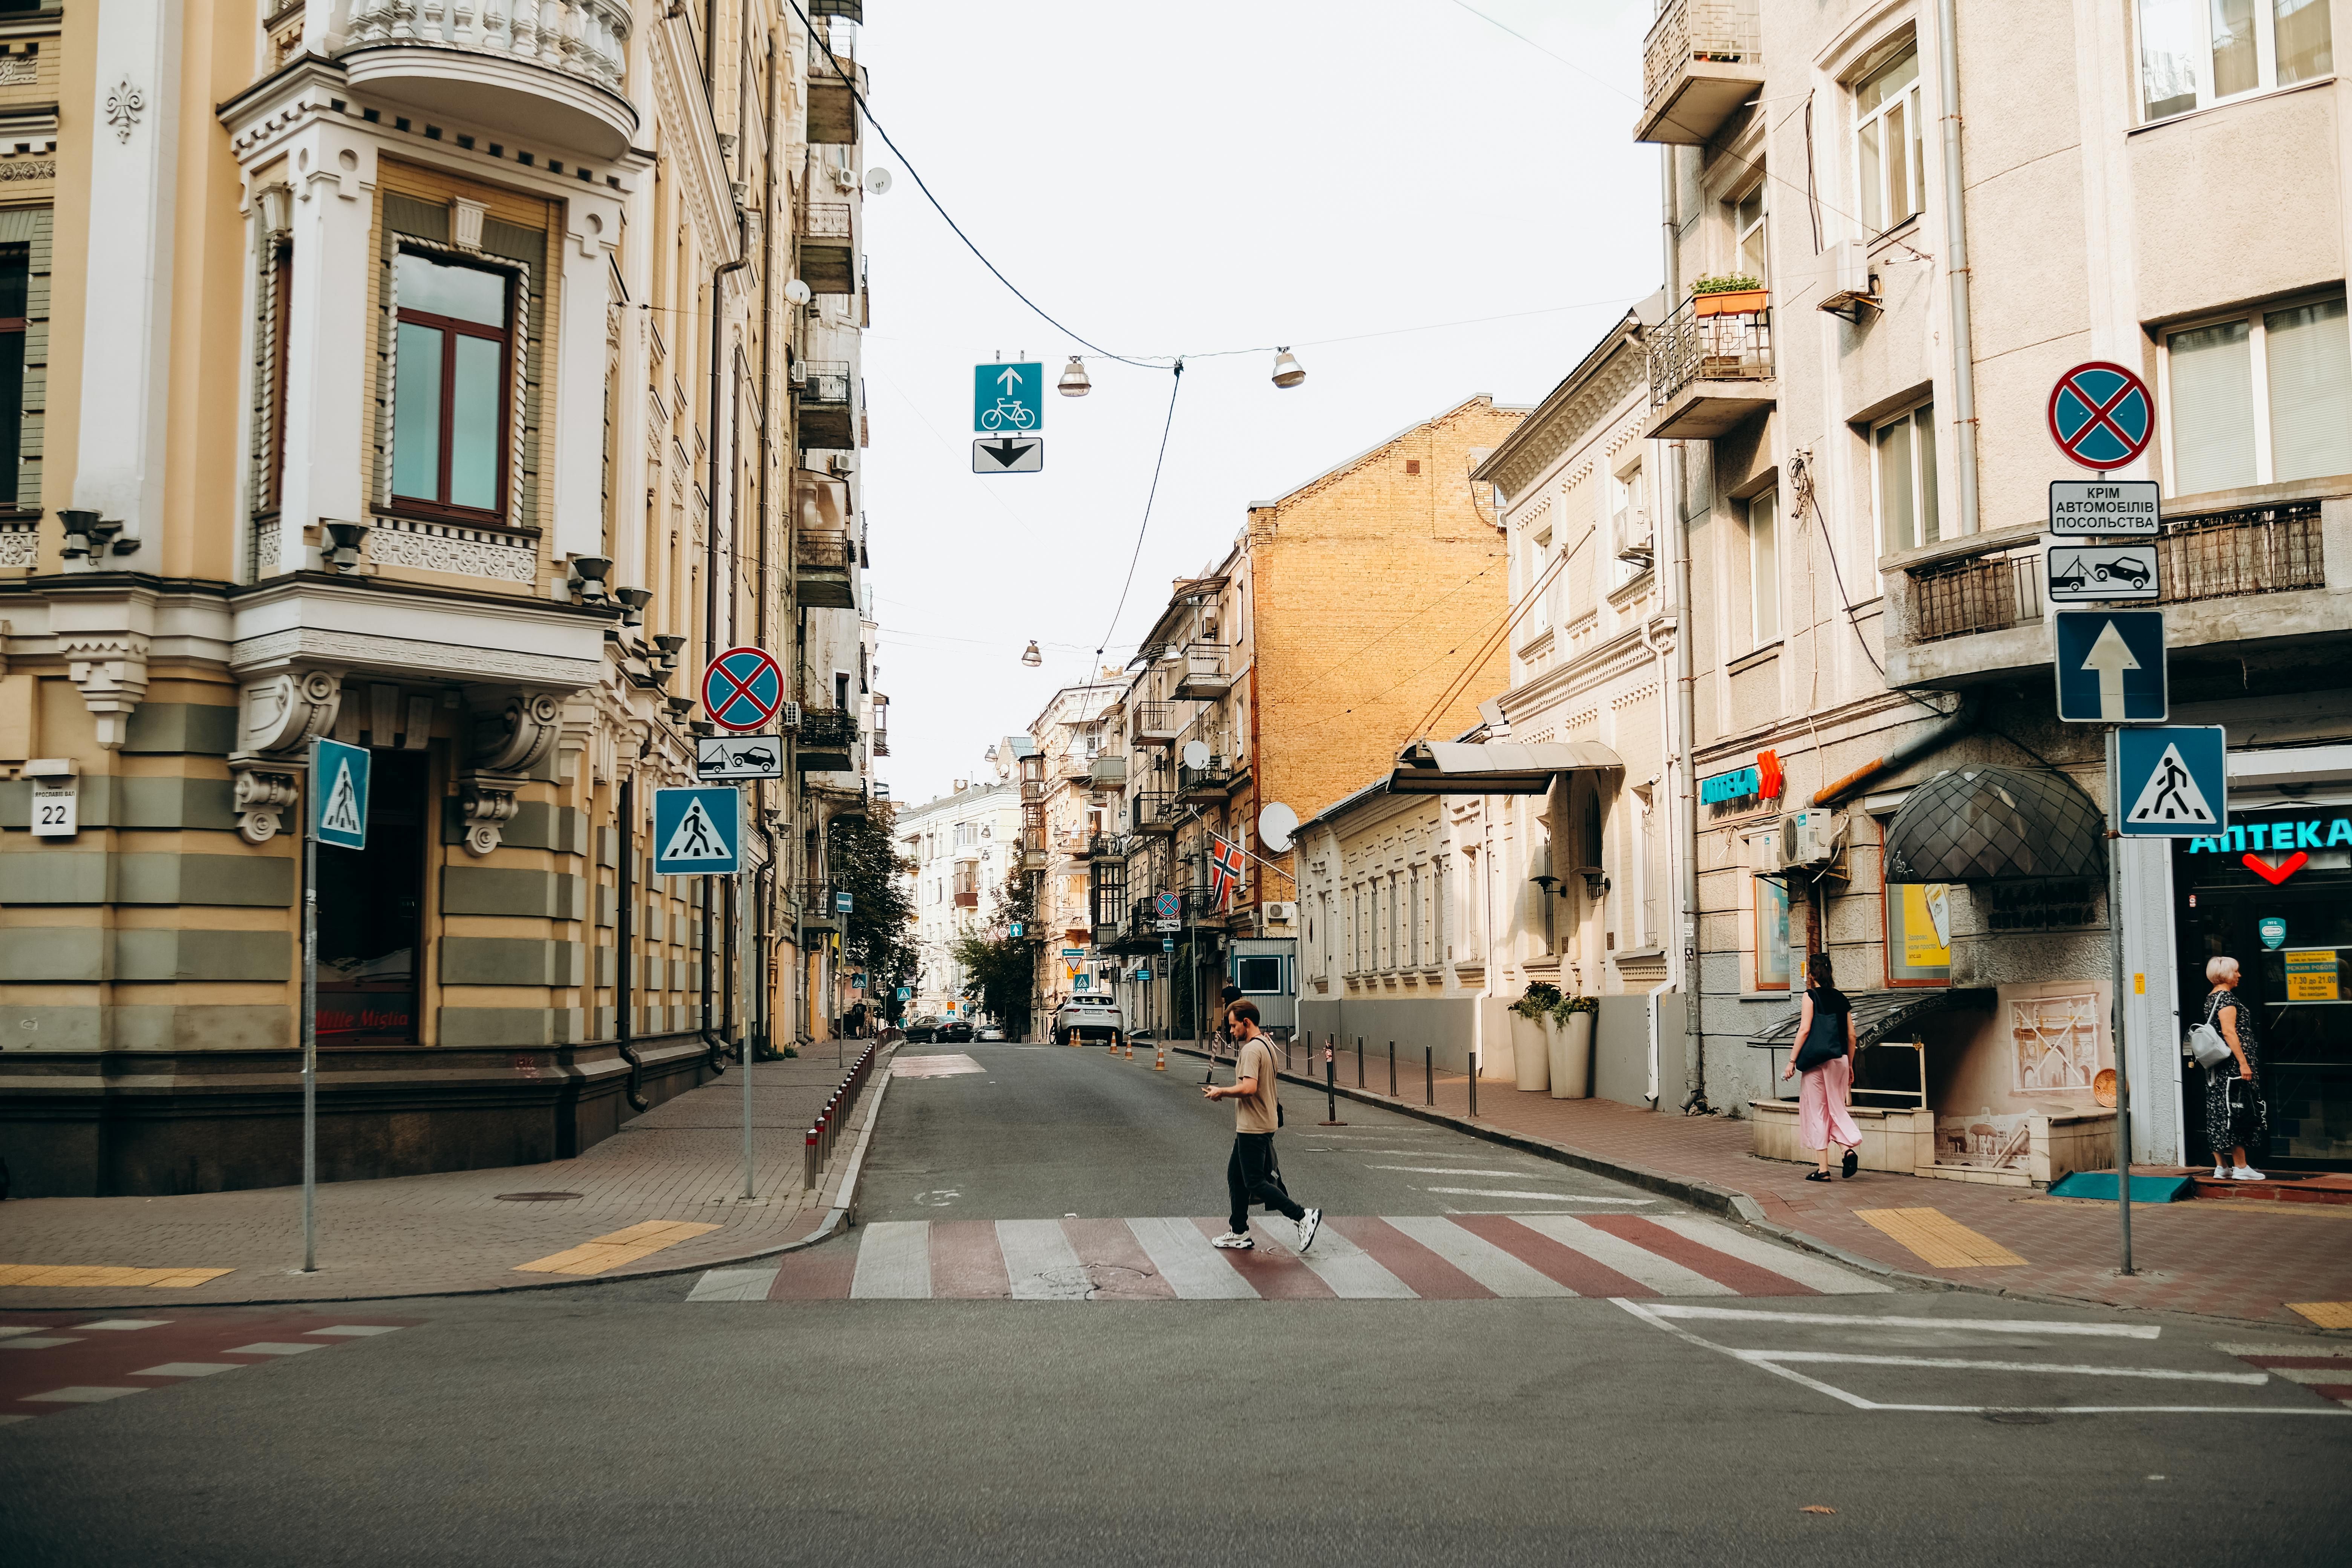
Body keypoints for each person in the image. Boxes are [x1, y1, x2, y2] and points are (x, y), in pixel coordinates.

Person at [1202, 999, 1319, 1253]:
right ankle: (1239, 1231)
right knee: (1236, 1175)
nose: (1231, 1032)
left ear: (1246, 1022)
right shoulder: (1267, 1044)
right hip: (1260, 1122)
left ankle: (1302, 1216)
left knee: (1255, 1182)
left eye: (1233, 1026)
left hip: (1253, 1126)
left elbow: (1250, 1087)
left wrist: (1222, 1091)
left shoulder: (1252, 1050)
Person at [1781, 951, 1862, 1181]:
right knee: (1836, 1108)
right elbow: (1852, 1036)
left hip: (1818, 1062)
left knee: (1818, 1112)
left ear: (1811, 973)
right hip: (1840, 1061)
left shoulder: (1811, 996)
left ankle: (1824, 1170)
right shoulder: (1841, 998)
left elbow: (1805, 1029)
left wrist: (1792, 1061)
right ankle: (1847, 1151)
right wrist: (1850, 1064)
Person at [2202, 956, 2267, 1181]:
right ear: (2226, 974)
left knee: (2220, 1111)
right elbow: (2230, 1033)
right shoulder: (2227, 999)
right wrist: (2243, 1063)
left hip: (2218, 1068)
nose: (2239, 976)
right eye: (2236, 972)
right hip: (2232, 1066)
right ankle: (2241, 1167)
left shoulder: (2211, 998)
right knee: (2238, 1110)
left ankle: (2222, 1167)